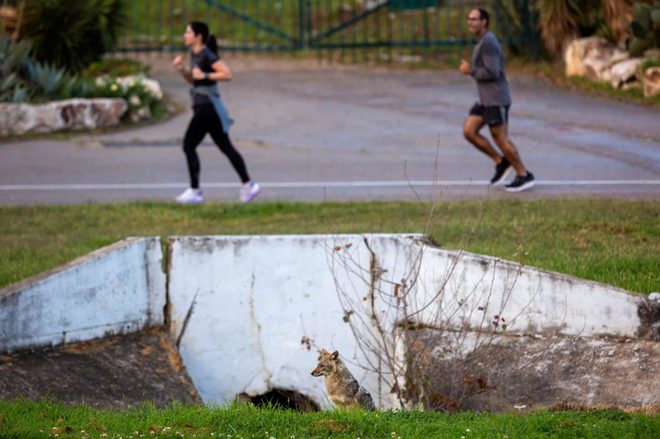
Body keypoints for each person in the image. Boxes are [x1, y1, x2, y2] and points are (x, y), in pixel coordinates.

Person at [172, 21, 261, 203]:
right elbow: (194, 80)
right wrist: (182, 69)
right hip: (204, 108)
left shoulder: (207, 54)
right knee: (226, 147)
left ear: (198, 36)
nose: (185, 35)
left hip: (207, 107)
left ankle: (195, 191)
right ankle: (248, 184)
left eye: (188, 32)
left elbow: (227, 74)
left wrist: (206, 75)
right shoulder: (195, 54)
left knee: (188, 146)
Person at [460, 8, 535, 192]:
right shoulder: (482, 42)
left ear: (484, 22)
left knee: (501, 138)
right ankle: (501, 162)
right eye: (469, 19)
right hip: (485, 100)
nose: (470, 22)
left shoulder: (488, 42)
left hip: (496, 99)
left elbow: (493, 72)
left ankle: (524, 174)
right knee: (469, 131)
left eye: (474, 19)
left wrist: (470, 71)